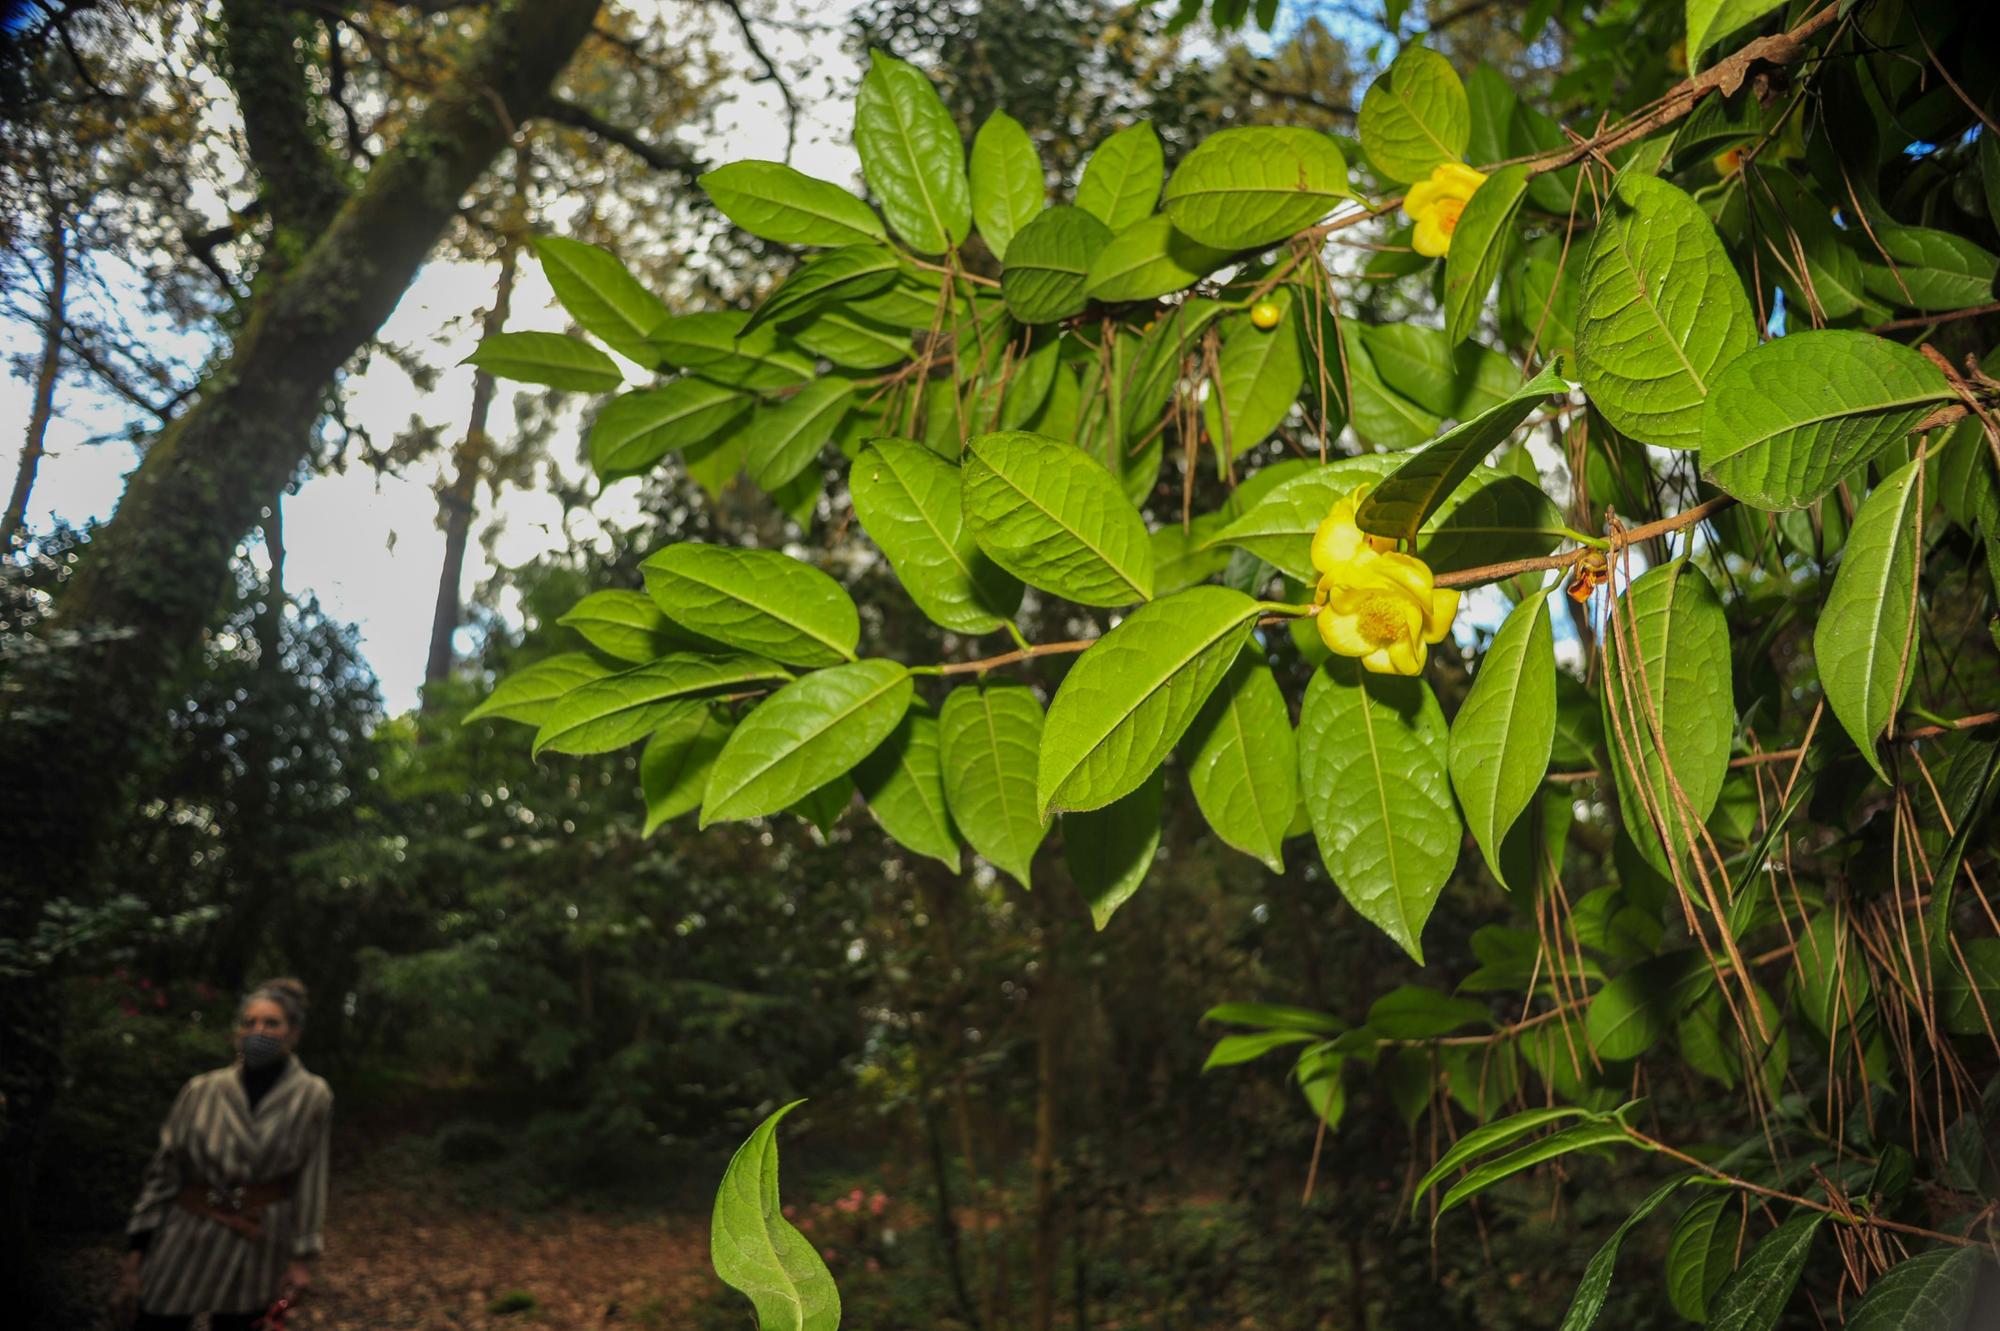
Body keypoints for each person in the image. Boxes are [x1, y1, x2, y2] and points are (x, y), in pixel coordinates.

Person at [117, 978, 333, 1330]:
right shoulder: (201, 1090)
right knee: (157, 1319)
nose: (257, 1031)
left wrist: (302, 1258)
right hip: (188, 1229)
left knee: (240, 1322)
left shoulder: (312, 1095)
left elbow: (311, 1177)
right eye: (249, 1023)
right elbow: (165, 1171)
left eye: (270, 1023)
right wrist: (137, 1246)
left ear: (293, 1033)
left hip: (258, 1236)